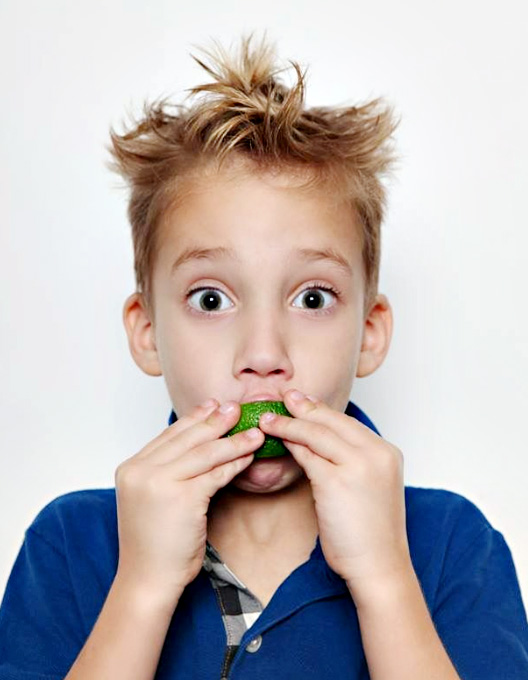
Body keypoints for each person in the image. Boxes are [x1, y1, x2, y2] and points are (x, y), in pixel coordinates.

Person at [0, 33, 527, 680]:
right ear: (145, 331)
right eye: (211, 299)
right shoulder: (69, 547)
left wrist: (386, 578)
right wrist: (141, 590)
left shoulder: (452, 545)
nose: (263, 355)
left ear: (369, 331)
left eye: (311, 298)